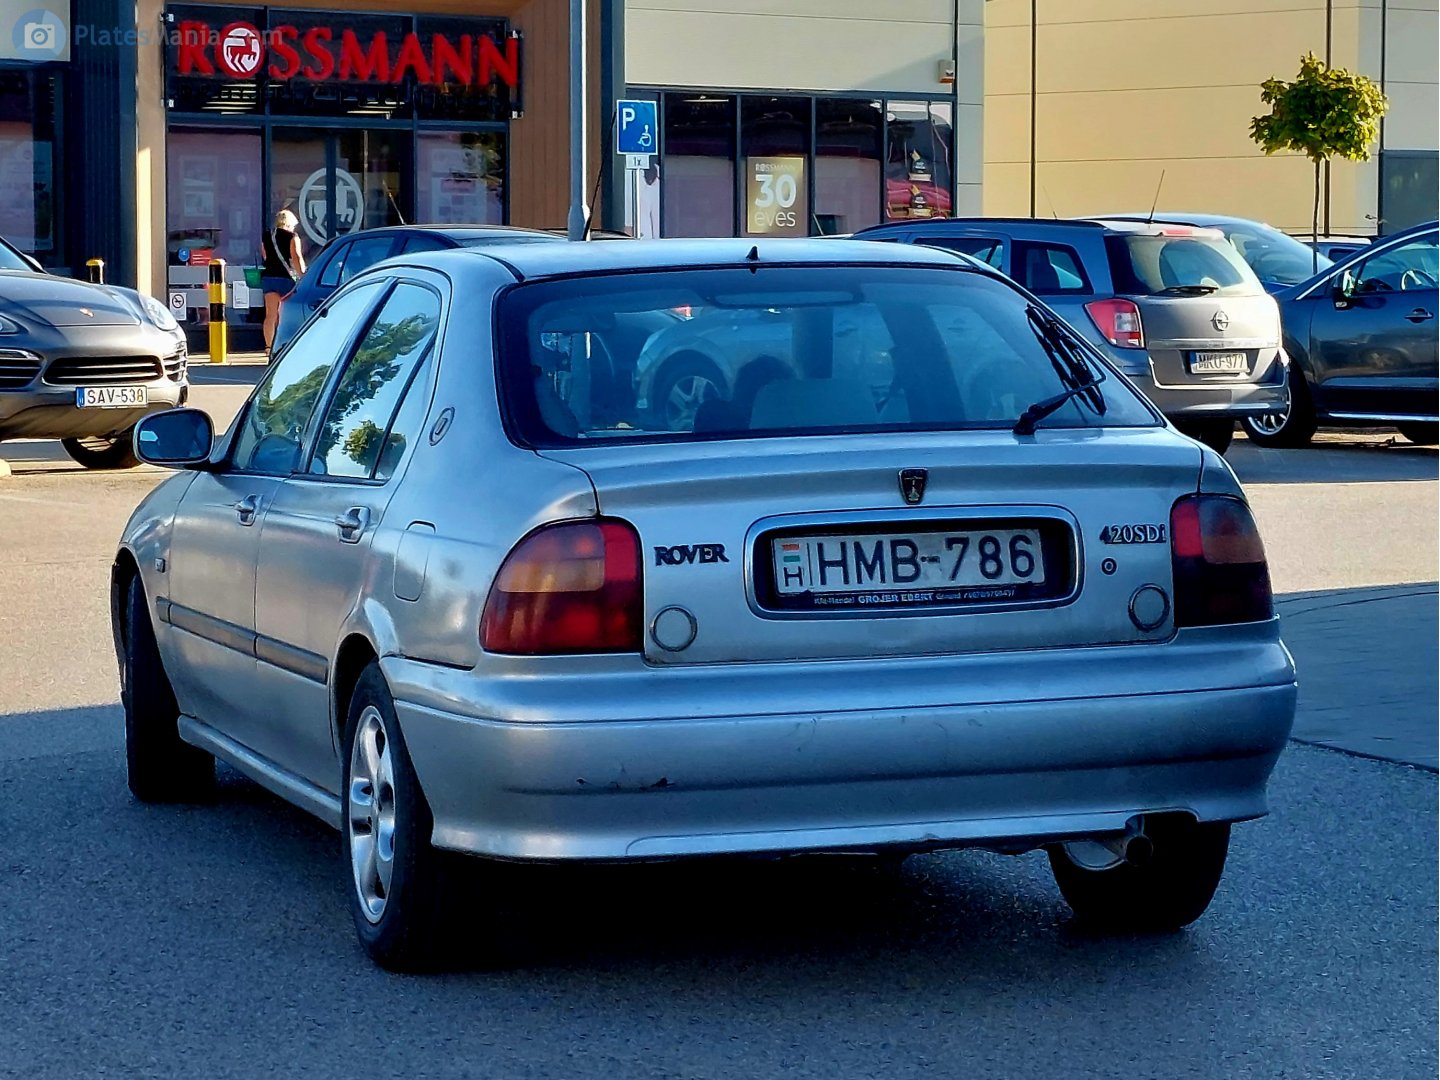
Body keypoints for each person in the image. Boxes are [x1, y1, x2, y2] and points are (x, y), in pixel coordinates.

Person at [260, 209, 306, 357]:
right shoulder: (293, 237)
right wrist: (303, 275)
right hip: (286, 278)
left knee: (270, 315)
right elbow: (296, 257)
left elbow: (265, 256)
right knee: (288, 314)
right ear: (290, 223)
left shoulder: (267, 235)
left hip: (269, 277)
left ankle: (268, 348)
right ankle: (287, 345)